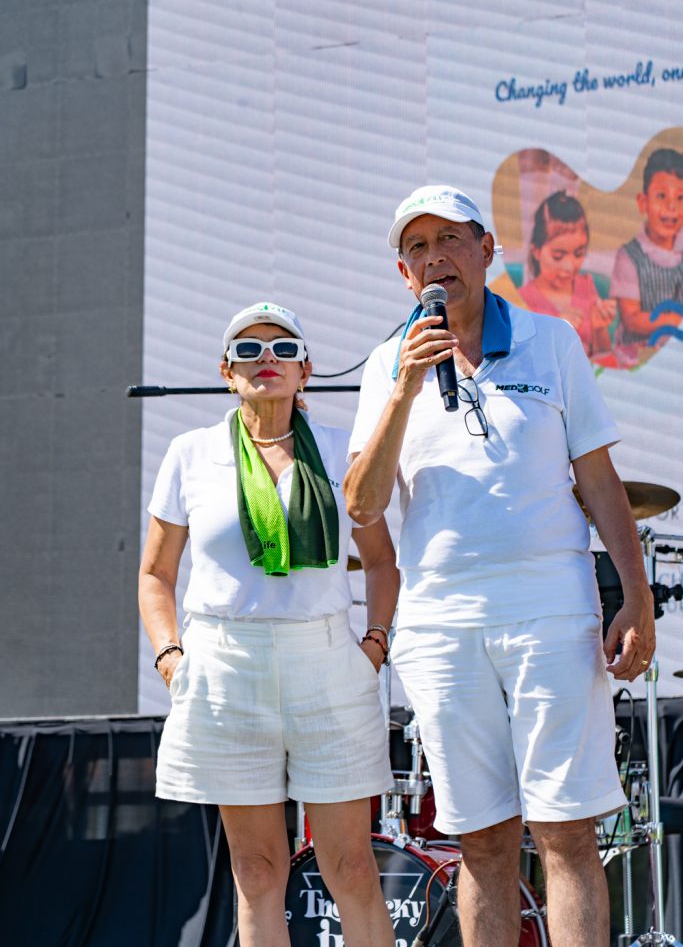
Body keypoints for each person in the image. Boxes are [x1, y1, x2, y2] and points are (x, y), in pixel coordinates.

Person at [343, 185, 655, 947]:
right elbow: (361, 503)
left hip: (551, 611)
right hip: (440, 627)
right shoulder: (386, 365)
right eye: (417, 248)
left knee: (566, 831)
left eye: (449, 239)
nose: (434, 258)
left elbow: (598, 480)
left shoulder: (552, 341)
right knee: (480, 840)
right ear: (402, 273)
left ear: (486, 250)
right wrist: (404, 388)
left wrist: (636, 597)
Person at [139, 301, 398, 947]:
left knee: (352, 867)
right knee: (256, 871)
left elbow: (382, 562)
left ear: (305, 369)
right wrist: (171, 657)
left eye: (283, 349)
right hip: (226, 665)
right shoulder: (191, 453)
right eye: (248, 350)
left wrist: (373, 645)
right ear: (226, 372)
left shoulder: (340, 450)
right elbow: (155, 574)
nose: (266, 361)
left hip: (327, 662)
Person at [519, 190, 616, 357]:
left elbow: (603, 356)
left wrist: (599, 329)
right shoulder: (523, 299)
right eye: (558, 256)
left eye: (579, 254)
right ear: (536, 252)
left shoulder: (586, 285)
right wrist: (555, 328)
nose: (569, 267)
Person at [612, 147, 683, 347]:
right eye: (661, 196)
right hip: (638, 351)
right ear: (643, 203)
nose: (672, 206)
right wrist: (674, 321)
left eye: (680, 198)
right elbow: (631, 319)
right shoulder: (629, 256)